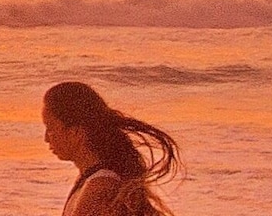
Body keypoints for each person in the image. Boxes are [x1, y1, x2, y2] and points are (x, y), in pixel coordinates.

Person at [42, 81, 181, 216]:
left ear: (77, 132)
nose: (46, 138)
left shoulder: (100, 188)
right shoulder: (91, 180)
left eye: (51, 129)